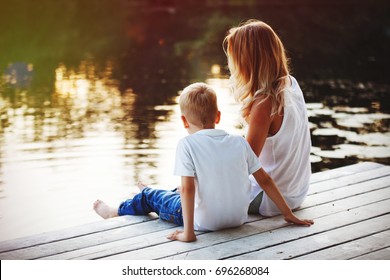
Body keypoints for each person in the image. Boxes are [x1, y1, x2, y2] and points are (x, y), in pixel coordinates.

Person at [93, 83, 313, 242]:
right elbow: (264, 180)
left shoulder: (186, 145)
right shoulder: (239, 142)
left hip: (204, 221)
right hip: (238, 218)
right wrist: (287, 213)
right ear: (217, 116)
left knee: (150, 198)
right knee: (182, 189)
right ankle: (155, 191)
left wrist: (189, 232)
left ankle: (117, 210)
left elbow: (188, 190)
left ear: (183, 120)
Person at [223, 19, 312, 216]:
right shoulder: (291, 84)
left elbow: (244, 166)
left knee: (193, 195)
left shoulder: (264, 103)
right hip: (296, 192)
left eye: (236, 59)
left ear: (248, 61)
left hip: (270, 199)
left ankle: (151, 195)